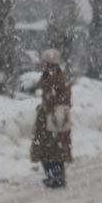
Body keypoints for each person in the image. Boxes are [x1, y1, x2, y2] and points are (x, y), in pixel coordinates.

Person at [30, 49, 72, 188]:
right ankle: (53, 176)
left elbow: (61, 98)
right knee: (50, 148)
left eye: (45, 63)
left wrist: (49, 106)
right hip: (53, 115)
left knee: (53, 148)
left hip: (56, 116)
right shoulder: (52, 76)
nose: (43, 65)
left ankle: (56, 177)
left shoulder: (56, 78)